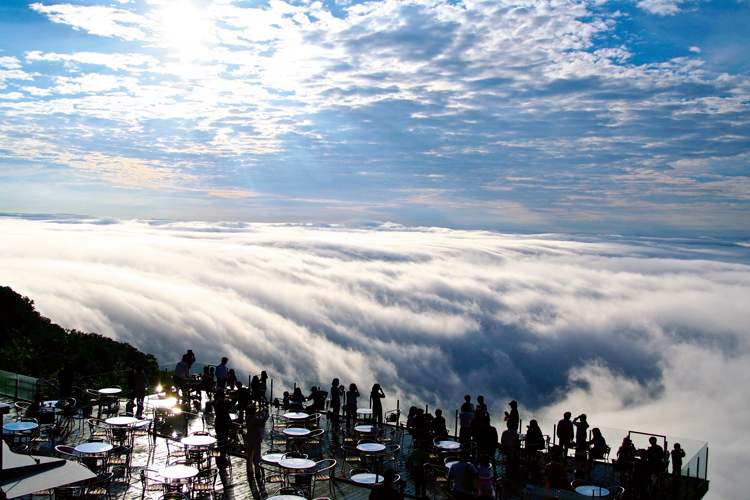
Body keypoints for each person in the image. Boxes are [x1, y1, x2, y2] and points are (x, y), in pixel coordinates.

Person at [245, 402, 270, 487]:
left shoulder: (248, 418)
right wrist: (266, 414)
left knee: (249, 457)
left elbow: (256, 415)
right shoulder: (254, 420)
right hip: (256, 440)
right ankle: (257, 473)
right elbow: (263, 420)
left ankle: (249, 472)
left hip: (249, 439)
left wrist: (261, 412)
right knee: (257, 458)